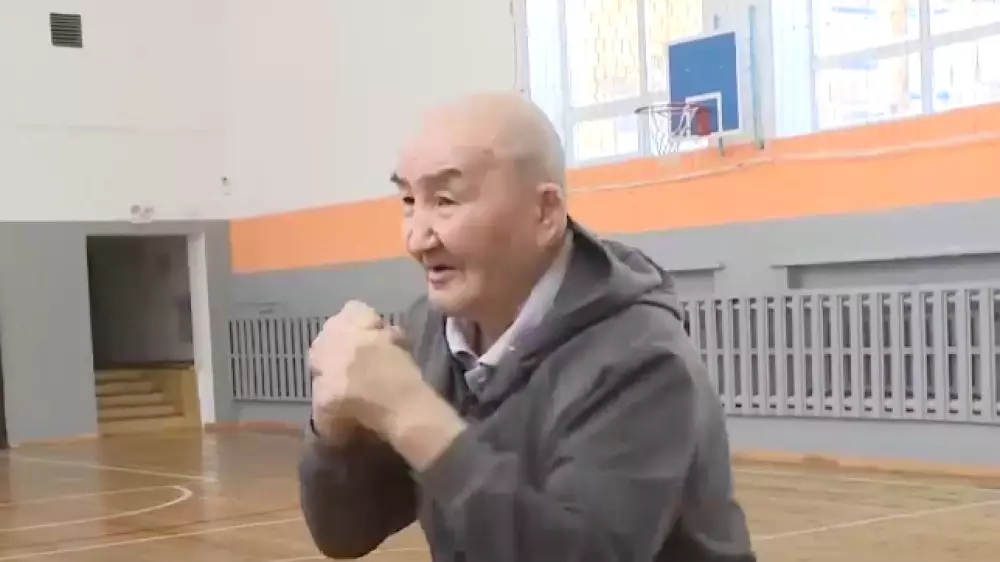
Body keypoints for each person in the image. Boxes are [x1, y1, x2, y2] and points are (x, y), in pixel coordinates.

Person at [299, 92, 756, 561]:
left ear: (544, 213)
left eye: (445, 201)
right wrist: (336, 433)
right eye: (409, 201)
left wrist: (413, 414)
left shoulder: (643, 359)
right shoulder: (433, 328)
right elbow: (346, 535)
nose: (417, 238)